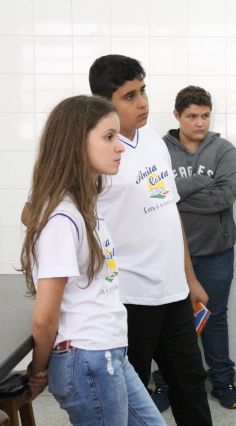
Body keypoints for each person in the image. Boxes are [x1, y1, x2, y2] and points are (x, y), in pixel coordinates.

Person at [20, 95, 165, 425]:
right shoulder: (62, 218)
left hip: (108, 351)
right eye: (109, 137)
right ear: (75, 143)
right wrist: (40, 369)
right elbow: (44, 317)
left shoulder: (84, 206)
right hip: (88, 357)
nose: (120, 147)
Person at [88, 55, 213, 426]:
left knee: (191, 385)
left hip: (173, 292)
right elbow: (37, 211)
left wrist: (189, 279)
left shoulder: (155, 142)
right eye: (129, 96)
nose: (142, 102)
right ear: (104, 102)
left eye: (143, 91)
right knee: (131, 393)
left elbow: (168, 213)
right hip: (128, 297)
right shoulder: (93, 151)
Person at [162, 85, 236, 409]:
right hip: (170, 252)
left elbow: (225, 196)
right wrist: (200, 182)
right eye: (192, 116)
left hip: (216, 251)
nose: (200, 123)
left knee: (215, 317)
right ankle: (166, 383)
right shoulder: (160, 150)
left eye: (205, 116)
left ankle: (223, 382)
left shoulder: (224, 150)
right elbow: (155, 195)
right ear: (177, 115)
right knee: (171, 321)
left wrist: (176, 195)